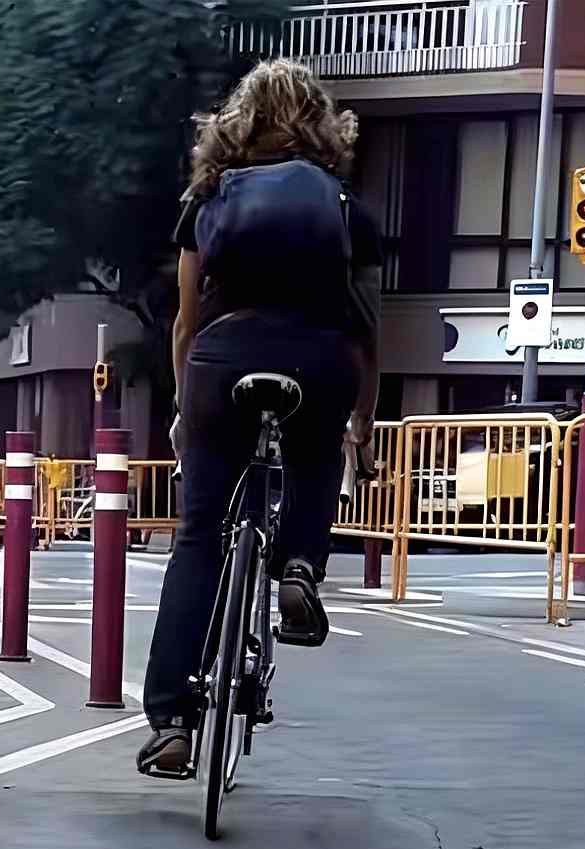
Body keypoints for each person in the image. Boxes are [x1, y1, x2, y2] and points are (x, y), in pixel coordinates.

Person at [137, 59, 381, 777]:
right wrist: (360, 425)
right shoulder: (343, 206)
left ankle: (172, 722)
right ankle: (300, 564)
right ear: (325, 128)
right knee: (312, 452)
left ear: (234, 123)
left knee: (200, 537)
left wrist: (188, 406)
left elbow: (185, 322)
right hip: (319, 358)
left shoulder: (207, 196)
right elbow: (368, 334)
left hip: (223, 358)